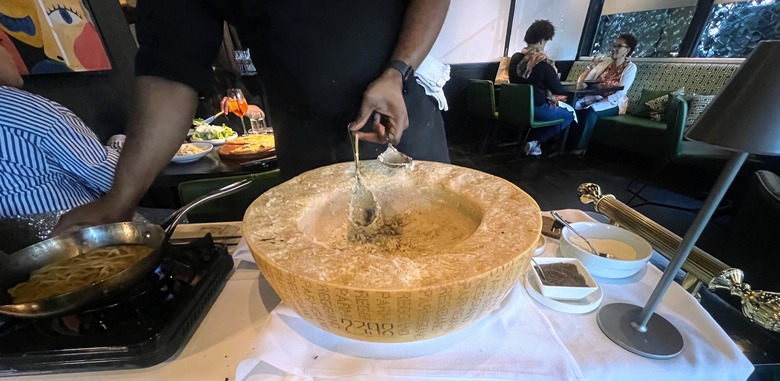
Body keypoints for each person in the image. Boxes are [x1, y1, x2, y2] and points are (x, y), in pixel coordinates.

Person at [55, 0, 451, 233]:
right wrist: (121, 200)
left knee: (427, 246)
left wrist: (397, 70)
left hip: (397, 111)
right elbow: (170, 73)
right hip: (299, 133)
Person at [0, 44, 118, 217]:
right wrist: (119, 146)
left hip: (11, 241)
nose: (12, 55)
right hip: (70, 234)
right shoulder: (23, 108)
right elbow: (108, 176)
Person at [566, 33, 638, 154]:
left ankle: (580, 147)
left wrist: (600, 100)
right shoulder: (605, 63)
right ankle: (564, 143)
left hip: (614, 102)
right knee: (573, 106)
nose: (614, 48)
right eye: (614, 45)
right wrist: (590, 68)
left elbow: (621, 92)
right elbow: (582, 83)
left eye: (619, 46)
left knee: (591, 110)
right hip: (595, 96)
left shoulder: (630, 67)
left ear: (627, 50)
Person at [511, 20, 574, 156]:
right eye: (546, 41)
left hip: (514, 108)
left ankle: (533, 144)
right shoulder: (543, 64)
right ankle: (536, 142)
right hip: (536, 109)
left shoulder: (515, 59)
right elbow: (558, 90)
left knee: (554, 110)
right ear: (541, 41)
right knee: (569, 115)